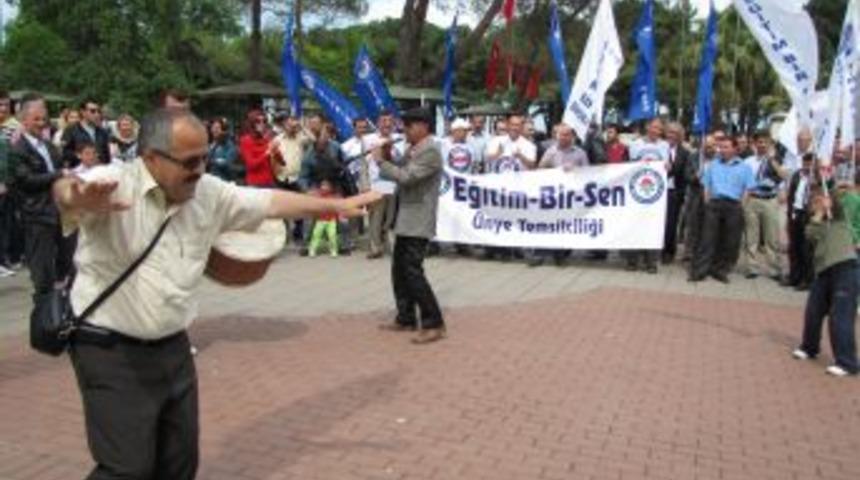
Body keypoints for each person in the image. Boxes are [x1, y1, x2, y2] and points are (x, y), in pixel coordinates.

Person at [51, 108, 381, 479]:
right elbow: (66, 190)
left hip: (171, 345)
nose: (199, 169)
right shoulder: (112, 183)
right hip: (108, 347)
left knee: (179, 462)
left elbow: (270, 202)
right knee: (126, 468)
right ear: (151, 158)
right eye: (189, 161)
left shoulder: (208, 192)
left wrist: (333, 206)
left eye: (205, 157)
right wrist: (75, 196)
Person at [373, 107, 445, 344]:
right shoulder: (414, 149)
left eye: (409, 125)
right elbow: (399, 170)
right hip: (404, 217)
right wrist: (388, 156)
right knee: (399, 270)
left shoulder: (431, 150)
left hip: (418, 219)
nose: (404, 130)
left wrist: (380, 161)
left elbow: (406, 177)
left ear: (423, 126)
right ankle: (405, 317)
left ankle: (434, 323)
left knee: (413, 271)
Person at [10, 96, 76, 295]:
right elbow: (26, 181)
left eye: (44, 119)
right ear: (24, 120)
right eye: (37, 119)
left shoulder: (48, 146)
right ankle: (44, 311)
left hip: (60, 212)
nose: (42, 123)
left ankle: (64, 302)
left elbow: (61, 168)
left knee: (69, 259)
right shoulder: (17, 150)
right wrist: (59, 174)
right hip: (37, 215)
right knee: (42, 270)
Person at [792, 186, 858, 377]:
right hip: (824, 272)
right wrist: (819, 213)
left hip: (846, 268)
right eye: (814, 202)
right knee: (813, 311)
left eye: (820, 200)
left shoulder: (840, 218)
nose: (817, 203)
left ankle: (847, 362)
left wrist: (835, 193)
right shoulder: (815, 224)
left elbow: (838, 204)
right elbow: (810, 234)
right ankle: (809, 347)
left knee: (840, 316)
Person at [689, 136, 756, 283]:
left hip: (733, 205)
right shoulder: (713, 165)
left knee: (729, 241)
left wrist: (741, 205)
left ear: (734, 149)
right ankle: (700, 270)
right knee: (707, 239)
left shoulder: (744, 167)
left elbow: (748, 188)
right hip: (714, 204)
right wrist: (707, 201)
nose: (722, 150)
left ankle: (720, 270)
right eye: (721, 147)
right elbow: (706, 184)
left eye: (726, 147)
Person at [529, 124, 590, 267]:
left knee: (563, 227)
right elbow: (540, 170)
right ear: (556, 136)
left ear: (572, 136)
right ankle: (539, 255)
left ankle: (560, 257)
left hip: (571, 197)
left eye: (567, 134)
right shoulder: (551, 151)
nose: (563, 137)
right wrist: (552, 168)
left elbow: (588, 174)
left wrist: (576, 170)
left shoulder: (580, 153)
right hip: (553, 197)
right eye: (561, 135)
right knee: (546, 225)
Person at [742, 131, 788, 279]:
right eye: (759, 142)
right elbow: (743, 181)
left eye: (765, 142)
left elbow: (783, 176)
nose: (762, 145)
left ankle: (774, 268)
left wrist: (772, 161)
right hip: (753, 199)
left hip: (770, 200)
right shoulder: (748, 161)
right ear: (754, 144)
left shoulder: (777, 160)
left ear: (769, 144)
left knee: (772, 237)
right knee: (752, 236)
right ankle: (752, 267)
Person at [626, 118, 670, 273]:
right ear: (647, 127)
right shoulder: (635, 143)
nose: (657, 130)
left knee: (653, 226)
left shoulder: (665, 145)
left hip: (656, 194)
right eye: (654, 127)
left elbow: (668, 166)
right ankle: (632, 261)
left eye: (659, 128)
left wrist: (666, 166)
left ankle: (651, 262)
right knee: (635, 225)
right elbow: (629, 165)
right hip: (637, 191)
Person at [364, 110, 403, 259]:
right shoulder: (369, 140)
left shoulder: (400, 139)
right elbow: (363, 165)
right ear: (378, 123)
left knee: (392, 216)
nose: (387, 124)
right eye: (383, 120)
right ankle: (375, 247)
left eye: (389, 120)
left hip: (393, 182)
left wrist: (390, 148)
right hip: (376, 184)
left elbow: (401, 161)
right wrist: (364, 185)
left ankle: (391, 244)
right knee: (376, 216)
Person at [784, 153, 816, 290]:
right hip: (795, 213)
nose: (807, 166)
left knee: (806, 249)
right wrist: (789, 213)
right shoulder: (797, 175)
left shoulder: (818, 178)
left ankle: (806, 279)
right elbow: (791, 195)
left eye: (810, 163)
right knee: (794, 247)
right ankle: (794, 276)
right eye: (805, 163)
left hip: (808, 215)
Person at [662, 122, 691, 264]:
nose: (671, 136)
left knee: (671, 224)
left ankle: (669, 251)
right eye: (669, 132)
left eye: (674, 133)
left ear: (680, 136)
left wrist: (671, 168)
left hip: (674, 192)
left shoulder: (685, 153)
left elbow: (684, 174)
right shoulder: (659, 148)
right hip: (656, 191)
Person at [62, 99, 111, 167]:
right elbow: (65, 153)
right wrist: (83, 157)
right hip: (79, 171)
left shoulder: (103, 132)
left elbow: (107, 156)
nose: (97, 114)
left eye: (99, 111)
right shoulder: (71, 130)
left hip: (100, 171)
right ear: (83, 112)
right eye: (92, 111)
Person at [239, 109, 274, 188]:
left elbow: (282, 163)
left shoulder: (266, 139)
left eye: (264, 121)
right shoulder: (245, 140)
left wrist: (276, 150)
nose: (262, 124)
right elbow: (251, 164)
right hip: (255, 185)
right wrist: (267, 153)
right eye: (258, 121)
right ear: (252, 123)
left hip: (269, 182)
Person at [308, 178, 340, 258]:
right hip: (320, 220)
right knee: (316, 235)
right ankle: (312, 250)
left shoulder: (334, 197)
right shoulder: (318, 196)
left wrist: (338, 216)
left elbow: (337, 207)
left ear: (330, 187)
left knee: (332, 235)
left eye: (327, 186)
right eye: (323, 185)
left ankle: (334, 250)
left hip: (331, 220)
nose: (324, 188)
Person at [206, 118, 240, 182]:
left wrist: (212, 161)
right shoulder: (208, 143)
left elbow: (227, 163)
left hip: (223, 181)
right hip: (210, 181)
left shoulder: (228, 144)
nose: (215, 130)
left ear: (222, 130)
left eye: (218, 128)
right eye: (213, 127)